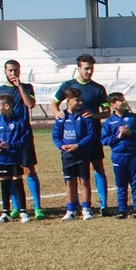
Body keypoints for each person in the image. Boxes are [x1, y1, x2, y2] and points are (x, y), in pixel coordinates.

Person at [0, 59, 48, 218]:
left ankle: (37, 207)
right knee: (11, 171)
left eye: (16, 70)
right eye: (10, 70)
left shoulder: (27, 87)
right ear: (5, 71)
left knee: (29, 169)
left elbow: (30, 105)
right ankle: (16, 207)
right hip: (6, 138)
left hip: (23, 136)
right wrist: (2, 123)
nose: (13, 73)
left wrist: (20, 86)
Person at [57, 53, 111, 208]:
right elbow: (55, 103)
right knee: (73, 172)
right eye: (86, 68)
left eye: (91, 69)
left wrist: (94, 115)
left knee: (98, 166)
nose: (89, 72)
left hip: (92, 135)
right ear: (78, 68)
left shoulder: (98, 89)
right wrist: (57, 113)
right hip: (72, 138)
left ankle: (103, 204)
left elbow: (107, 112)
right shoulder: (67, 85)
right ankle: (73, 205)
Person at [51, 88, 98, 220]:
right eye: (77, 100)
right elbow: (56, 135)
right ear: (68, 101)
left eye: (81, 100)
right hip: (67, 155)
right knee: (70, 182)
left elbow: (91, 135)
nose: (80, 102)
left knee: (84, 181)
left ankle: (87, 209)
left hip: (82, 153)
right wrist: (62, 146)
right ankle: (71, 209)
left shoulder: (85, 116)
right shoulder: (61, 117)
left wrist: (78, 145)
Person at [0, 90, 34, 221]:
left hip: (15, 157)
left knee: (17, 181)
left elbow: (25, 140)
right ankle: (5, 212)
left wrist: (11, 145)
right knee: (4, 182)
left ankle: (23, 211)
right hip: (2, 158)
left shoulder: (20, 121)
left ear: (6, 106)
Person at [101, 93, 136, 218]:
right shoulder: (109, 122)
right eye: (120, 100)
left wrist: (130, 132)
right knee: (121, 183)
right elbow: (104, 140)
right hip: (118, 156)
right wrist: (118, 136)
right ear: (113, 105)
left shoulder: (134, 118)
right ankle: (122, 210)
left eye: (123, 99)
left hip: (134, 154)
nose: (123, 102)